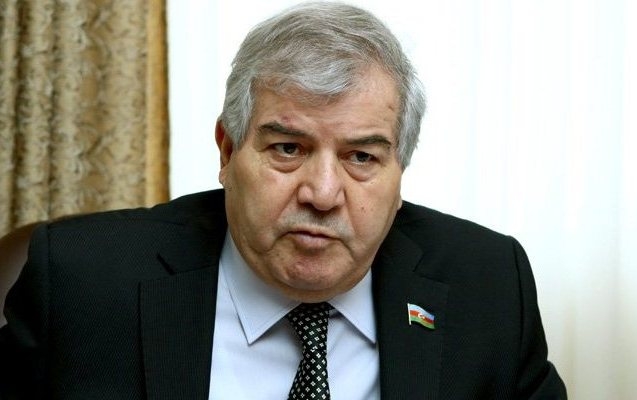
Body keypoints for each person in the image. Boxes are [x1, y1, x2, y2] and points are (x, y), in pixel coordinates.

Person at [0, 2, 566, 399]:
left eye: (361, 157)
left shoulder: (488, 286)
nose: (322, 194)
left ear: (400, 171)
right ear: (228, 151)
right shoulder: (82, 281)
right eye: (288, 149)